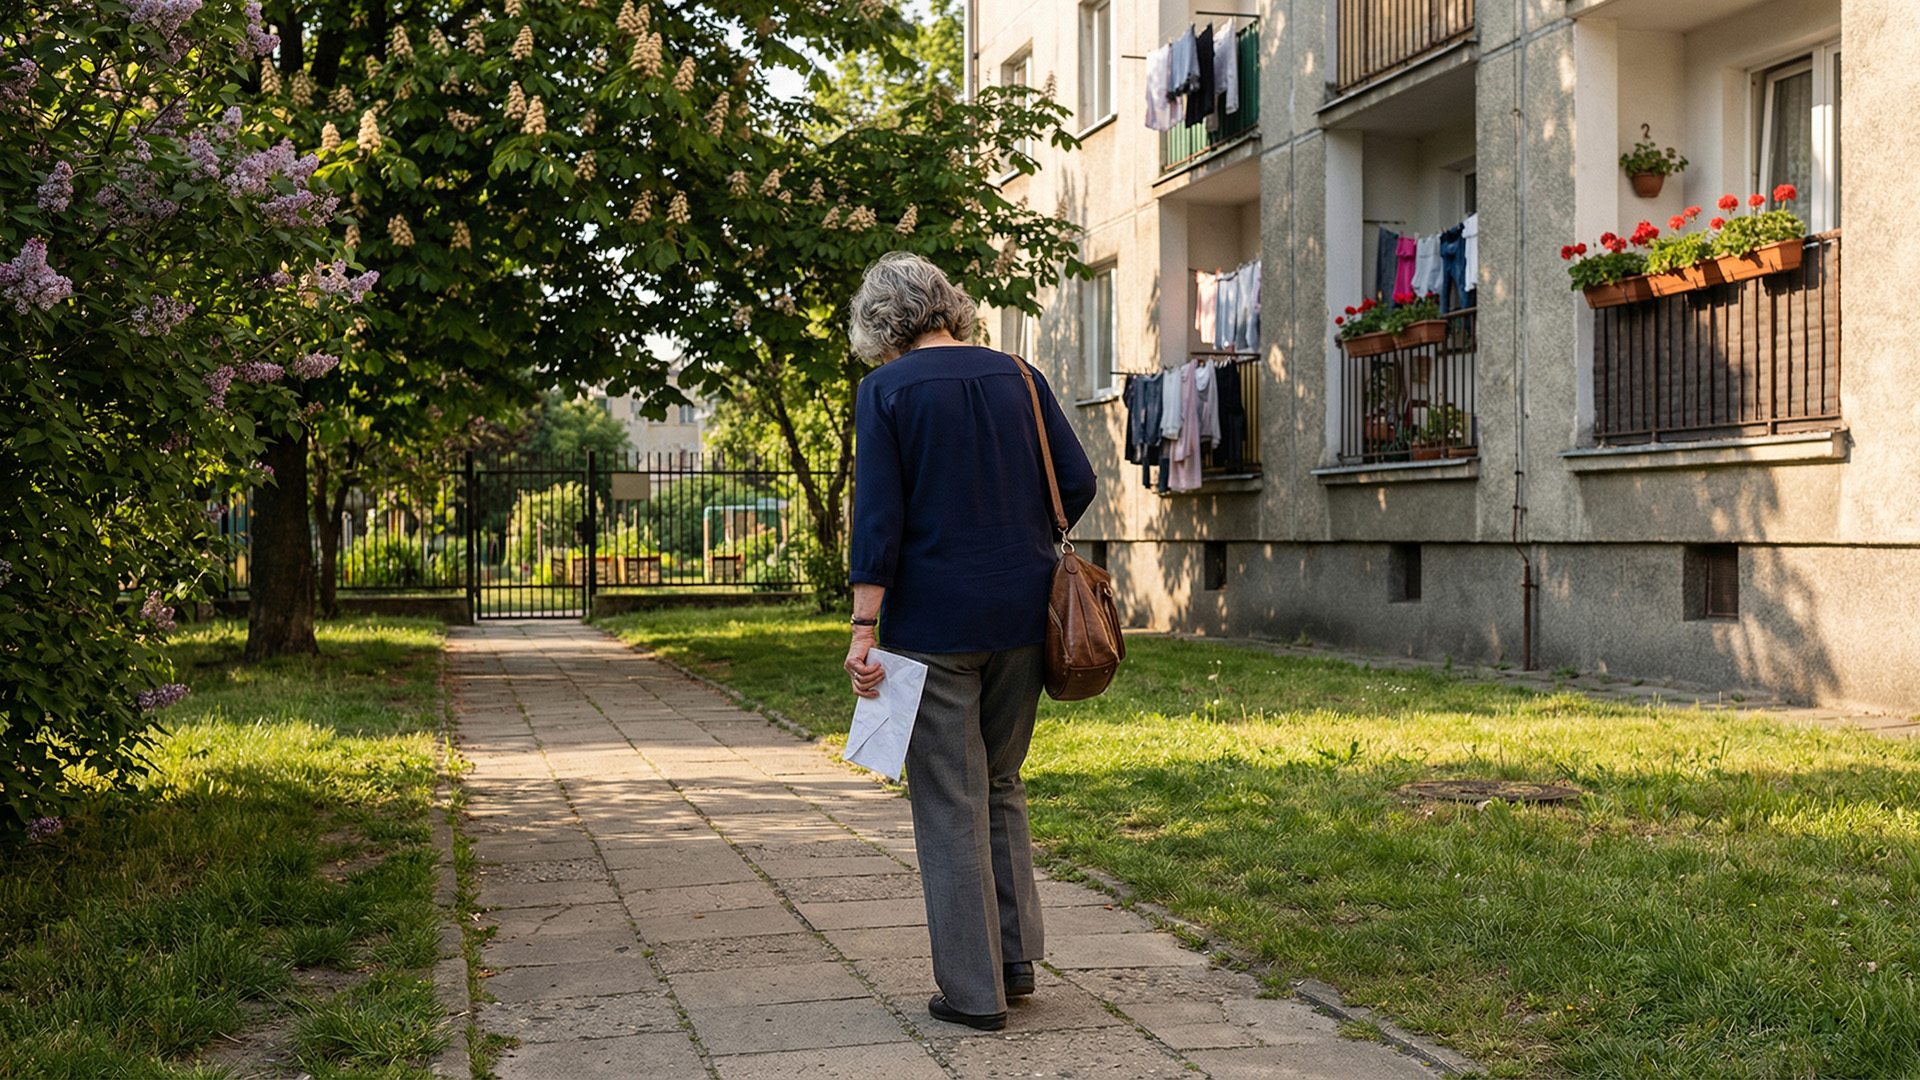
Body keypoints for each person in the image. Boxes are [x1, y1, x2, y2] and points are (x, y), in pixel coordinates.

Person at [842, 252, 1096, 1032]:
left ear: (884, 325)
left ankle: (973, 992)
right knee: (1001, 783)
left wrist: (863, 624)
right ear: (948, 305)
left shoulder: (884, 391)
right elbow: (1078, 480)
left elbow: (880, 516)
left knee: (950, 798)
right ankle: (1014, 960)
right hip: (1026, 618)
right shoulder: (1020, 374)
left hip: (934, 627)